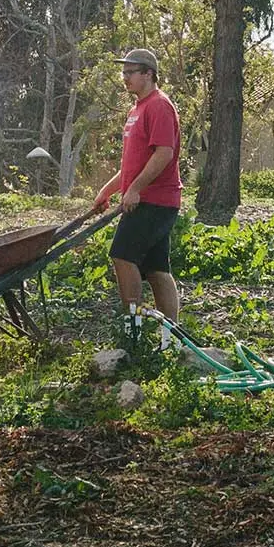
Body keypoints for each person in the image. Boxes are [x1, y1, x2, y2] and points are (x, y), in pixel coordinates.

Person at [94, 47, 183, 333]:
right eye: (123, 73)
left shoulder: (159, 106)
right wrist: (107, 191)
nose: (125, 78)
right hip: (145, 197)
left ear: (149, 74)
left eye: (130, 72)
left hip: (155, 200)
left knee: (122, 255)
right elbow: (133, 164)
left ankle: (133, 328)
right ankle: (171, 335)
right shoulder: (137, 109)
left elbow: (164, 154)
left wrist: (134, 190)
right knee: (157, 270)